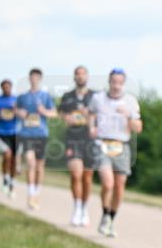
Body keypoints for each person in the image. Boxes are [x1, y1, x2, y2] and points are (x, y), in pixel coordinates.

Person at [89, 68, 142, 237]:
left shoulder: (130, 101)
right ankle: (105, 213)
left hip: (121, 146)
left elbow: (138, 128)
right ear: (109, 82)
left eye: (120, 82)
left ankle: (111, 219)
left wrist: (128, 116)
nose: (117, 86)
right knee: (108, 184)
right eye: (114, 82)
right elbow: (89, 114)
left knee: (119, 187)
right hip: (102, 144)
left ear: (123, 83)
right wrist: (91, 127)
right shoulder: (98, 98)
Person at [16, 68, 57, 210]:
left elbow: (54, 113)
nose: (34, 79)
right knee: (30, 162)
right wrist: (19, 112)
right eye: (32, 77)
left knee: (39, 167)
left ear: (40, 79)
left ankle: (37, 194)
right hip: (26, 134)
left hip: (41, 134)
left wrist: (44, 111)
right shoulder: (22, 97)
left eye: (36, 77)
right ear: (29, 78)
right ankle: (30, 194)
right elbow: (15, 110)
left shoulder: (45, 96)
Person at [59, 65, 96, 226]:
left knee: (87, 178)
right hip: (73, 139)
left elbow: (101, 115)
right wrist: (66, 118)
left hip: (90, 140)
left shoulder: (95, 96)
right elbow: (60, 112)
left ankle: (85, 209)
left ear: (87, 76)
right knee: (75, 175)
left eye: (83, 74)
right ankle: (77, 208)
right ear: (74, 77)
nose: (80, 77)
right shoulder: (67, 96)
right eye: (77, 74)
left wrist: (90, 117)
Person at [0, 79, 18, 197]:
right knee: (7, 155)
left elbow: (24, 113)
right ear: (1, 88)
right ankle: (5, 179)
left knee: (14, 160)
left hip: (15, 133)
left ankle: (12, 184)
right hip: (1, 132)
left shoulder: (17, 100)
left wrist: (17, 111)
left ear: (11, 87)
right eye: (4, 87)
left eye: (8, 87)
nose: (7, 89)